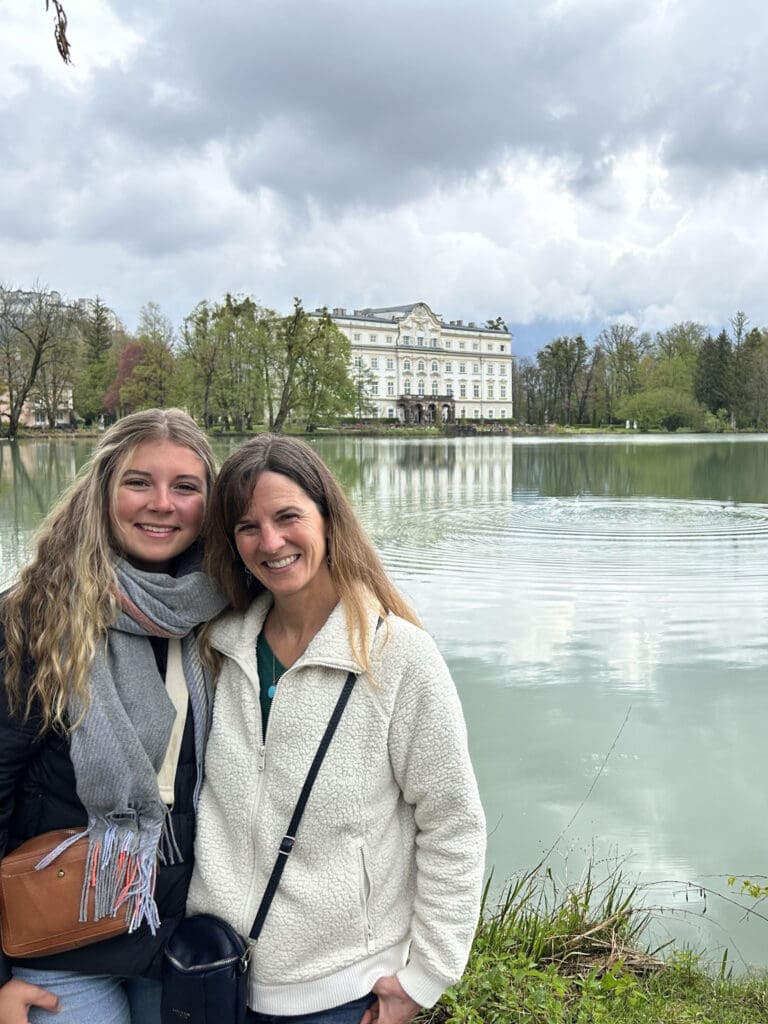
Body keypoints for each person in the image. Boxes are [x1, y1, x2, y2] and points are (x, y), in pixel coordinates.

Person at [187, 434, 486, 1024]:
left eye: (287, 516)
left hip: (339, 992)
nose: (270, 542)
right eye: (247, 526)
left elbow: (453, 824)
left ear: (328, 517)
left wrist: (424, 977)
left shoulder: (399, 657)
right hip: (213, 976)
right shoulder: (218, 648)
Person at [0, 409, 227, 1024]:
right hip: (60, 942)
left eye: (186, 487)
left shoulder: (223, 611)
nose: (162, 504)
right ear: (102, 490)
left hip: (175, 934)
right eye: (138, 482)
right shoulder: (33, 618)